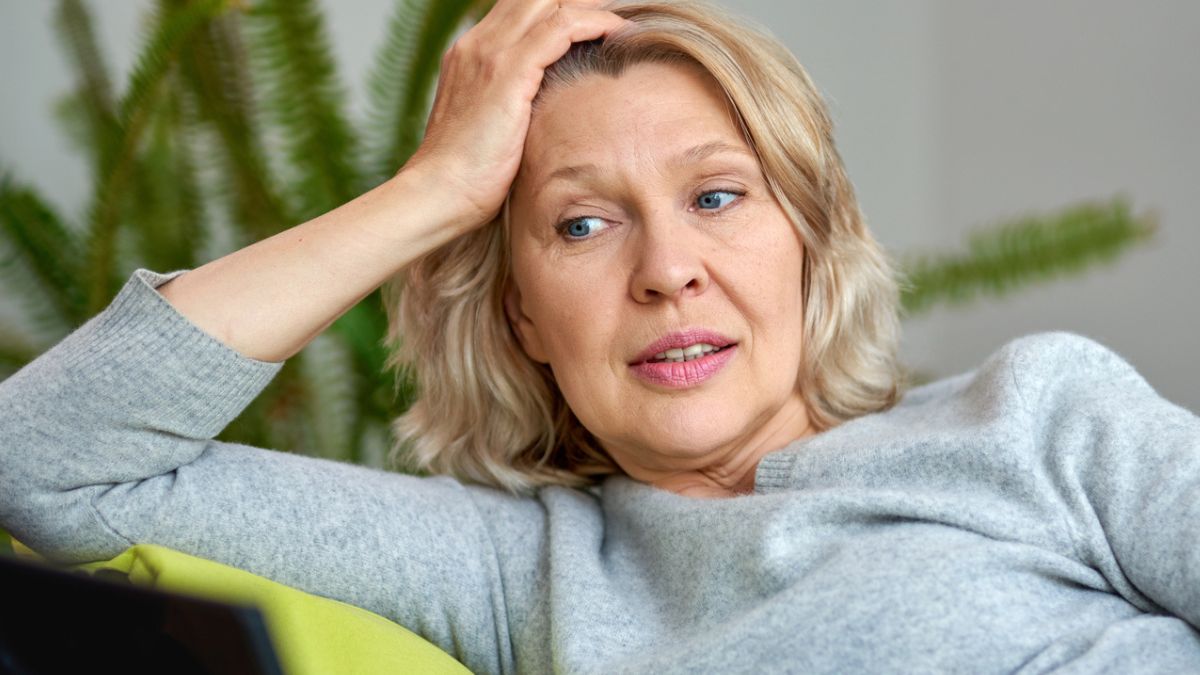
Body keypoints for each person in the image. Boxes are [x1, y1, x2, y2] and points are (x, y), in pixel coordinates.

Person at [2, 0, 1198, 672]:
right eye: (582, 223)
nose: (667, 269)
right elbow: (45, 465)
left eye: (717, 196)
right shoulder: (513, 569)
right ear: (521, 311)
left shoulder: (1038, 416)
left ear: (810, 239)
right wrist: (428, 192)